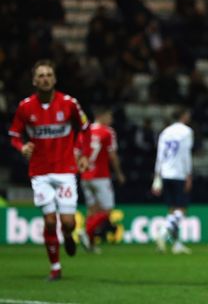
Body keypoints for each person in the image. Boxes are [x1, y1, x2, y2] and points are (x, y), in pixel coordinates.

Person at [8, 60, 91, 281]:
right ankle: (55, 267)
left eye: (49, 75)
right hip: (40, 172)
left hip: (65, 169)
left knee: (67, 222)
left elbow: (84, 128)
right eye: (41, 75)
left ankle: (69, 235)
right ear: (34, 81)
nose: (45, 78)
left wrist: (81, 153)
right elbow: (15, 135)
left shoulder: (69, 103)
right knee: (50, 221)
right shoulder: (25, 107)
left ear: (54, 79)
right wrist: (22, 147)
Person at [78, 107, 125, 252]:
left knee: (92, 211)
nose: (111, 120)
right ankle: (85, 232)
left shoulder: (85, 131)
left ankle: (90, 245)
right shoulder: (107, 132)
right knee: (107, 210)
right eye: (109, 116)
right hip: (101, 176)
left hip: (85, 176)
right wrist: (119, 173)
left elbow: (77, 154)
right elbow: (112, 155)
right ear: (102, 116)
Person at [152, 108, 194, 255]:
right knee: (181, 210)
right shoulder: (186, 131)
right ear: (183, 115)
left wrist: (157, 177)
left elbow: (160, 155)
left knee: (172, 211)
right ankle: (163, 232)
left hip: (165, 173)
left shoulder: (165, 132)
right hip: (179, 173)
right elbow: (185, 154)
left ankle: (176, 243)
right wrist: (189, 174)